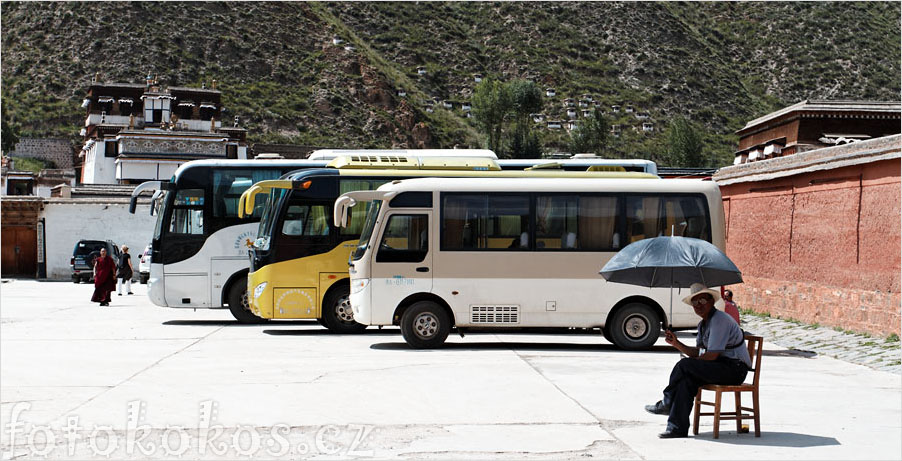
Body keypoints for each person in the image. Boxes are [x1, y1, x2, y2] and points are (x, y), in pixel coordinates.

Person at [644, 283, 752, 438]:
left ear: (711, 302)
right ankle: (677, 428)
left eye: (702, 301)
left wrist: (693, 363)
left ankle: (667, 403)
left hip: (734, 369)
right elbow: (699, 352)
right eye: (695, 303)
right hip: (718, 366)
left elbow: (711, 355)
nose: (698, 306)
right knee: (686, 380)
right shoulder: (703, 325)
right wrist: (676, 343)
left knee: (685, 365)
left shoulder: (719, 320)